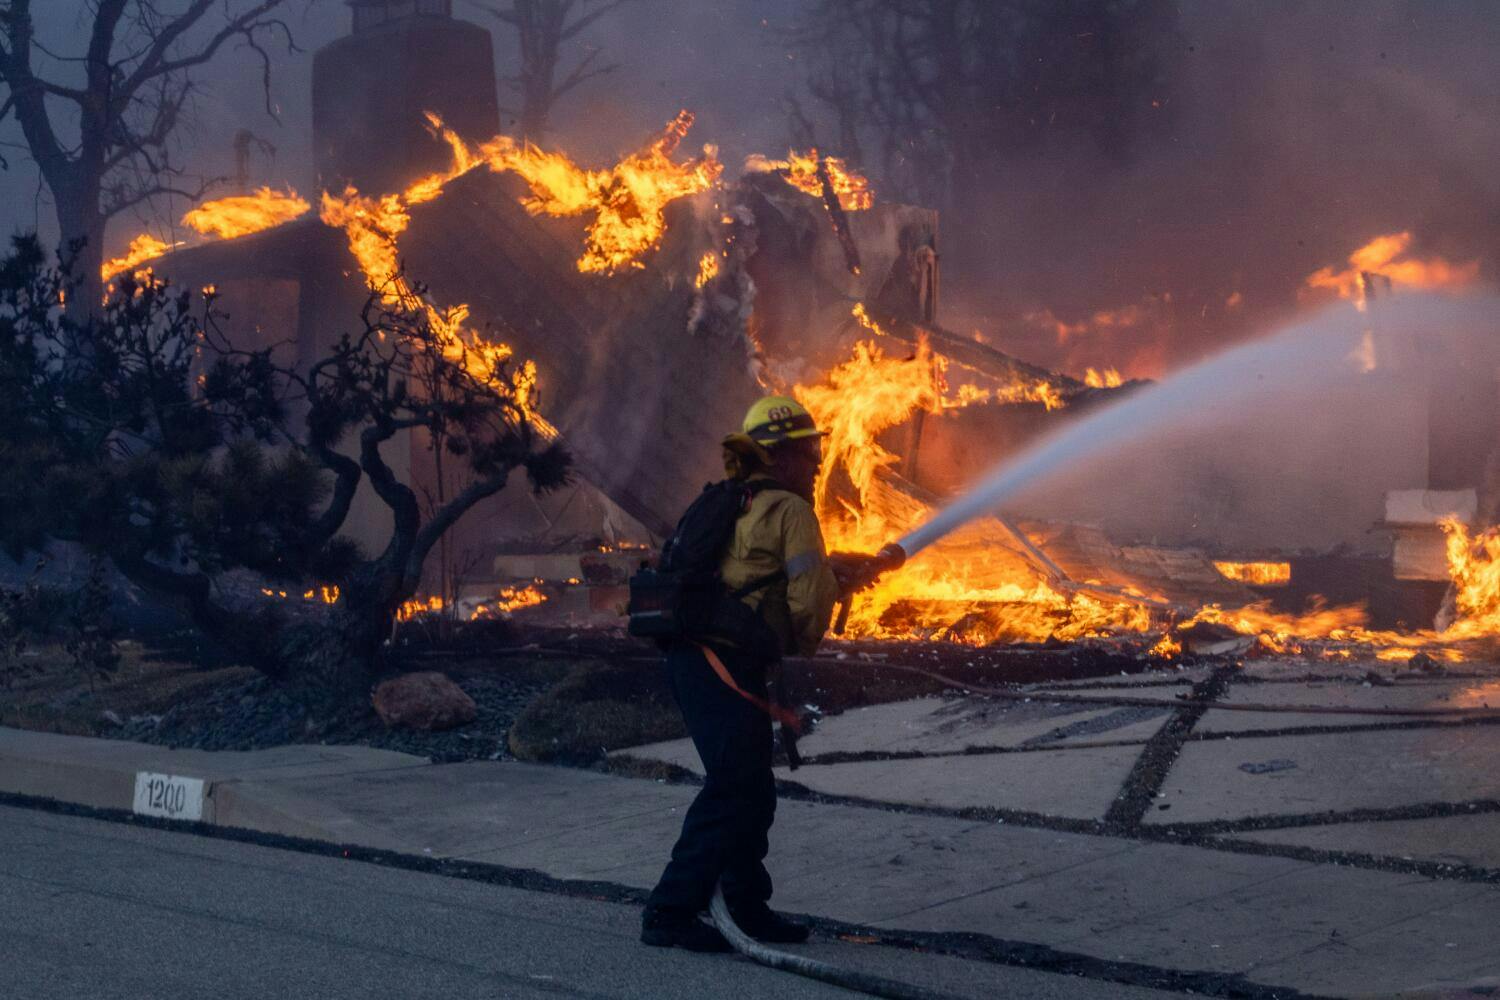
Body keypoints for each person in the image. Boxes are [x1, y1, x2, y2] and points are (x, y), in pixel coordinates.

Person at [640, 395, 853, 952]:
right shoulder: (790, 511)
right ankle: (670, 910)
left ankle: (746, 906)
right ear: (778, 458)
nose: (814, 462)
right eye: (807, 453)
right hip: (724, 665)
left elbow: (746, 576)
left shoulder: (733, 501)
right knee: (736, 786)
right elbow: (806, 595)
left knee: (752, 788)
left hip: (695, 660)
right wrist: (803, 641)